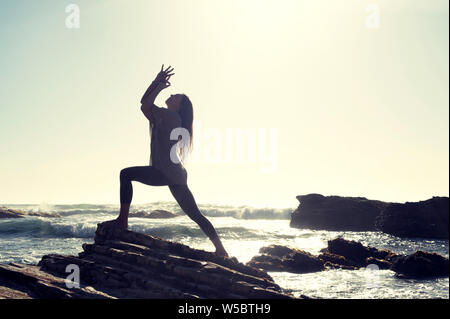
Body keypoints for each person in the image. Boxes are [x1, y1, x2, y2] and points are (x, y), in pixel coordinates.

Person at [100, 64, 228, 257]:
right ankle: (220, 249)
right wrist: (157, 82)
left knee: (125, 174)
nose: (173, 95)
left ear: (179, 106)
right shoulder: (168, 117)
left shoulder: (170, 116)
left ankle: (122, 221)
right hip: (175, 173)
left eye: (177, 97)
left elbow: (144, 104)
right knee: (195, 214)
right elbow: (144, 104)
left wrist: (158, 84)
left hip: (165, 171)